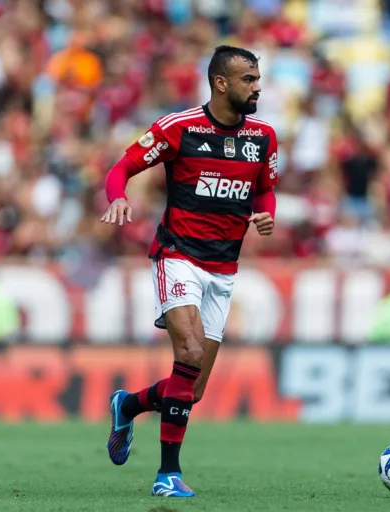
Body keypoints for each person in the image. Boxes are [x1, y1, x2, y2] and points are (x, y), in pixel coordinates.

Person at [100, 45, 277, 498]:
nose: (257, 87)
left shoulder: (263, 137)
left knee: (192, 390)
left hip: (224, 267)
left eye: (257, 79)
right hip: (178, 255)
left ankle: (129, 404)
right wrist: (117, 197)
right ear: (221, 83)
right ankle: (167, 476)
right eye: (249, 79)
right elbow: (121, 167)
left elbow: (264, 191)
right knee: (191, 350)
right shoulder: (179, 128)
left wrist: (264, 214)